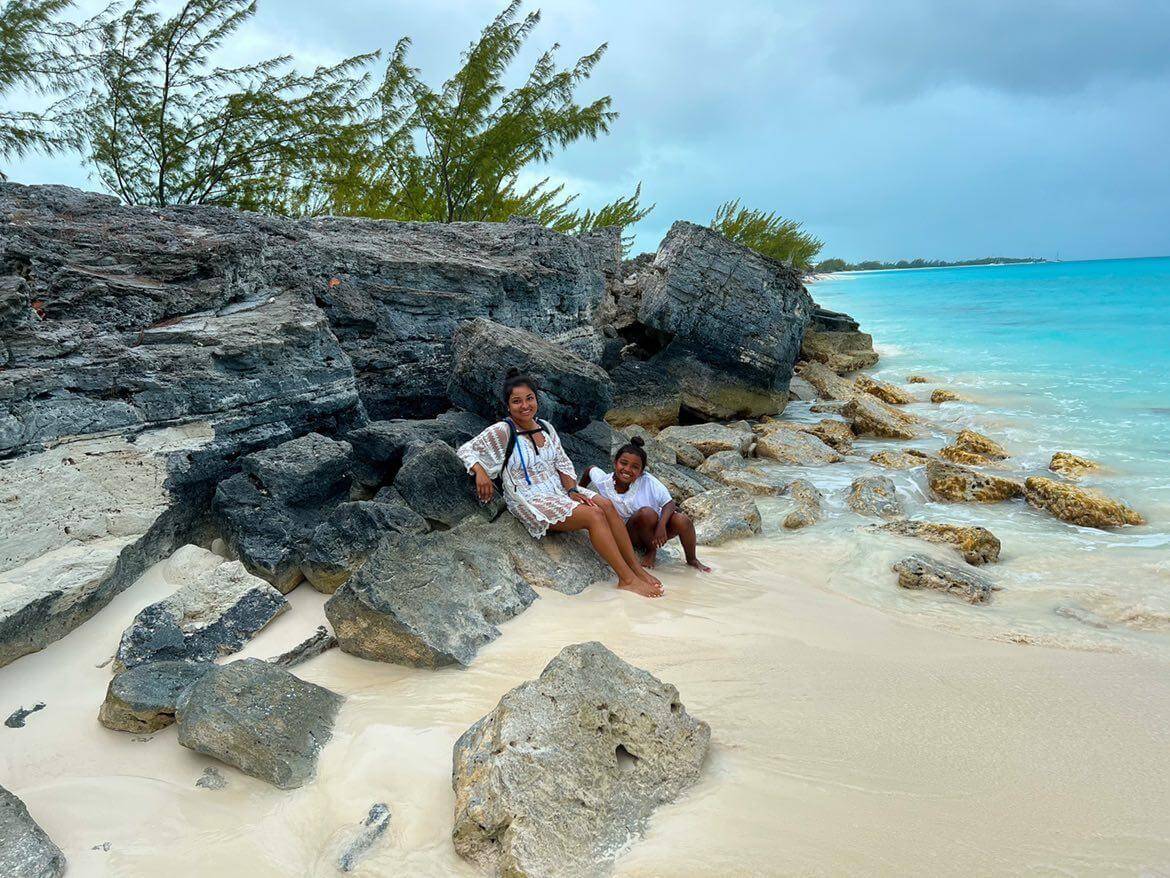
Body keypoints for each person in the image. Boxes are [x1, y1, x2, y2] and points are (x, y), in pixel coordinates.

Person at [456, 369, 665, 598]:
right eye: (517, 401)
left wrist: (572, 489)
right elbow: (467, 450)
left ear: (536, 399)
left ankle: (635, 569)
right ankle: (626, 579)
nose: (525, 406)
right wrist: (480, 472)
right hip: (530, 498)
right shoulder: (503, 431)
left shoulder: (545, 426)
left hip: (557, 488)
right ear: (508, 406)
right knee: (593, 516)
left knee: (605, 504)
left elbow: (562, 463)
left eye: (529, 399)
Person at [581, 437, 711, 572]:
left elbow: (669, 503)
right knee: (646, 513)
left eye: (635, 467)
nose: (627, 469)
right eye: (623, 463)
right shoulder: (604, 481)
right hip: (627, 533)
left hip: (654, 530)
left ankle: (692, 560)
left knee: (682, 520)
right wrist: (577, 491)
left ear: (642, 471)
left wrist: (661, 526)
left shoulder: (648, 481)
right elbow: (590, 470)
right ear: (615, 463)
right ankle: (651, 551)